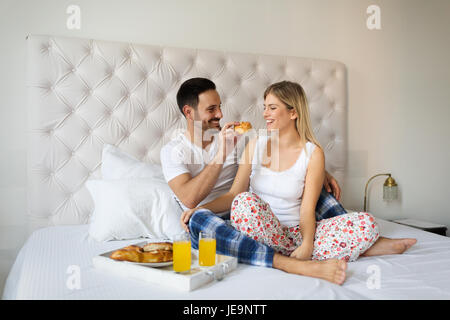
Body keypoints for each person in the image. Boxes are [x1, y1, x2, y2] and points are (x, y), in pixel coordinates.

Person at [180, 80, 417, 285]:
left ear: (293, 112)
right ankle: (299, 261)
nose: (265, 114)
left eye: (272, 108)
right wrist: (199, 209)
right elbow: (234, 195)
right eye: (265, 108)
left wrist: (306, 243)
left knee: (367, 223)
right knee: (242, 203)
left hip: (294, 232)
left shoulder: (313, 153)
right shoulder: (255, 144)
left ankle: (292, 255)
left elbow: (307, 209)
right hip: (261, 228)